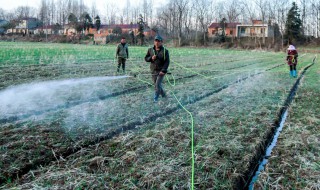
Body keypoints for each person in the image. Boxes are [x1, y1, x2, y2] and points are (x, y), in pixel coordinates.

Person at [144, 35, 170, 102]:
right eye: (156, 41)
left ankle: (155, 99)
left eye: (159, 41)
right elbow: (146, 58)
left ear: (161, 42)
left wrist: (163, 70)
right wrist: (151, 58)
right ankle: (164, 95)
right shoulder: (150, 50)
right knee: (156, 85)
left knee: (157, 85)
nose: (157, 42)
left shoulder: (165, 51)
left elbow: (167, 62)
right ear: (154, 41)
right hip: (153, 71)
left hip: (161, 71)